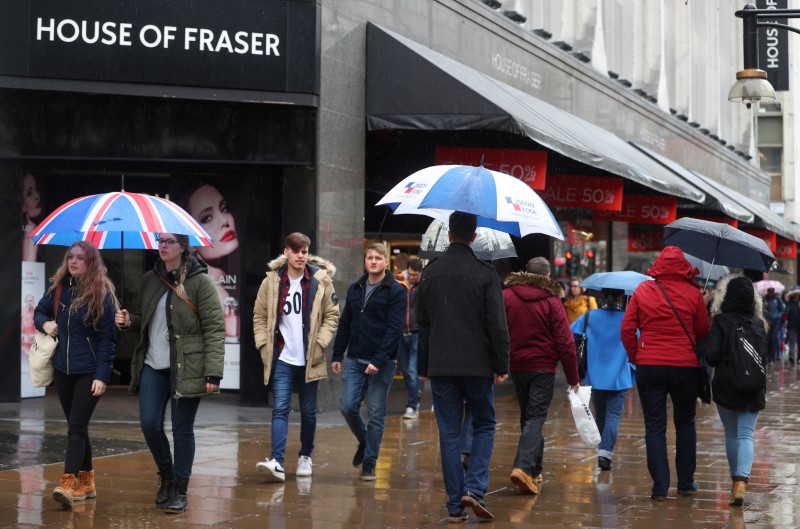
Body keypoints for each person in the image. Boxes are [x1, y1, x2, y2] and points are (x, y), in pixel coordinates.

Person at [115, 233, 225, 514]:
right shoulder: (149, 279)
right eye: (159, 240)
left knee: (182, 429)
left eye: (169, 241)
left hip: (187, 366)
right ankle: (166, 473)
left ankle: (180, 488)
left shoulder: (200, 281)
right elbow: (144, 318)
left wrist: (213, 373)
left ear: (183, 247)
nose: (162, 246)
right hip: (153, 364)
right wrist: (129, 321)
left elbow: (214, 328)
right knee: (149, 424)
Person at [416, 211, 510, 523]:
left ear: (448, 235)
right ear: (473, 236)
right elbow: (497, 324)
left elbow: (423, 325)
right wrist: (501, 363)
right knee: (483, 423)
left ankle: (455, 506)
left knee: (449, 433)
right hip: (477, 365)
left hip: (441, 364)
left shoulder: (430, 273)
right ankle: (475, 489)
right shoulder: (486, 273)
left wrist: (424, 364)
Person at [621, 246, 710, 501]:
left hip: (650, 365)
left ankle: (660, 487)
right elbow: (703, 331)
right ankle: (685, 482)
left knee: (655, 427)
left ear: (657, 266)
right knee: (685, 423)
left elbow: (627, 328)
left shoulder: (643, 290)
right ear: (683, 267)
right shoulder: (693, 293)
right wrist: (699, 303)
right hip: (684, 366)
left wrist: (636, 356)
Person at [34, 241, 118, 508]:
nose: (73, 261)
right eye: (71, 257)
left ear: (91, 262)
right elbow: (39, 312)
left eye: (80, 258)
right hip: (62, 371)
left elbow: (108, 340)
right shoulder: (59, 289)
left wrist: (102, 376)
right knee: (77, 426)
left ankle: (69, 482)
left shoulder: (102, 294)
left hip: (89, 372)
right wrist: (45, 323)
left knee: (75, 428)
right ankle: (88, 481)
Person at [252, 232, 340, 482]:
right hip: (281, 357)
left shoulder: (319, 281)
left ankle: (305, 455)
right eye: (297, 251)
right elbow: (258, 316)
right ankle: (277, 461)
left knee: (309, 411)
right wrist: (263, 346)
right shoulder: (271, 282)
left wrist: (321, 343)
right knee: (280, 409)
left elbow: (332, 315)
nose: (302, 255)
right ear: (286, 252)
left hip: (310, 357)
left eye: (305, 251)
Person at [503, 257, 579, 496]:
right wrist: (573, 377)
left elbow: (497, 329)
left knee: (528, 416)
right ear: (547, 276)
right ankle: (523, 467)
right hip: (543, 367)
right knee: (536, 418)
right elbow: (565, 342)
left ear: (526, 272)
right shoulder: (552, 301)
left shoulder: (507, 296)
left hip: (517, 365)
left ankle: (535, 469)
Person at [332, 242, 405, 481]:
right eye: (369, 257)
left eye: (377, 258)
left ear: (386, 262)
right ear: (365, 261)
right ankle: (365, 441)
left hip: (382, 363)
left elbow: (394, 330)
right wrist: (337, 354)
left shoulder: (396, 291)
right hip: (355, 357)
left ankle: (371, 462)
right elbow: (345, 323)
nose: (373, 261)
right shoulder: (356, 288)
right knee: (348, 406)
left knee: (375, 413)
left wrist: (378, 359)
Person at [703, 275, 768, 506]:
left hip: (727, 387)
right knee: (746, 435)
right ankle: (742, 481)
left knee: (732, 434)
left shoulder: (721, 321)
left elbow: (710, 356)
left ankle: (735, 483)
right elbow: (764, 360)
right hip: (753, 388)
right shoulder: (759, 324)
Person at [571, 288, 634, 471]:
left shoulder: (590, 316)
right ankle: (605, 452)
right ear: (621, 297)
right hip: (620, 376)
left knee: (600, 414)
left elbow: (570, 332)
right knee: (613, 415)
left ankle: (602, 450)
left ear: (601, 296)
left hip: (595, 375)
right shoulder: (627, 319)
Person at [180, 183, 240, 306]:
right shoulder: (218, 297)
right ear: (190, 241)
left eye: (224, 209)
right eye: (207, 218)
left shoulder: (196, 289)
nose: (224, 221)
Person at [396, 259, 423, 419]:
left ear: (420, 273)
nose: (412, 278)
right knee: (406, 372)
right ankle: (415, 396)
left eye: (416, 275)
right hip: (400, 333)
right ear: (407, 270)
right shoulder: (397, 281)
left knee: (412, 372)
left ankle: (412, 406)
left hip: (416, 333)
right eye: (410, 274)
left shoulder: (424, 285)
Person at [22, 171, 43, 262]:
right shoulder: (31, 233)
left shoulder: (34, 230)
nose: (36, 196)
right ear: (23, 205)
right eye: (29, 193)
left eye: (36, 189)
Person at [764, 287, 785, 364]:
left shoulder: (777, 299)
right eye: (769, 291)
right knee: (767, 339)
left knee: (773, 339)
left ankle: (772, 358)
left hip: (776, 322)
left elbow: (782, 309)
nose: (770, 292)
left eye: (771, 291)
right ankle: (767, 356)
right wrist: (764, 306)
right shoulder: (764, 299)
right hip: (767, 322)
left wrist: (778, 315)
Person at [785, 290, 800, 366]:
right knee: (792, 343)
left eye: (798, 295)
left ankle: (798, 359)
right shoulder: (789, 304)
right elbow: (786, 313)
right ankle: (791, 357)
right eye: (796, 295)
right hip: (792, 326)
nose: (797, 296)